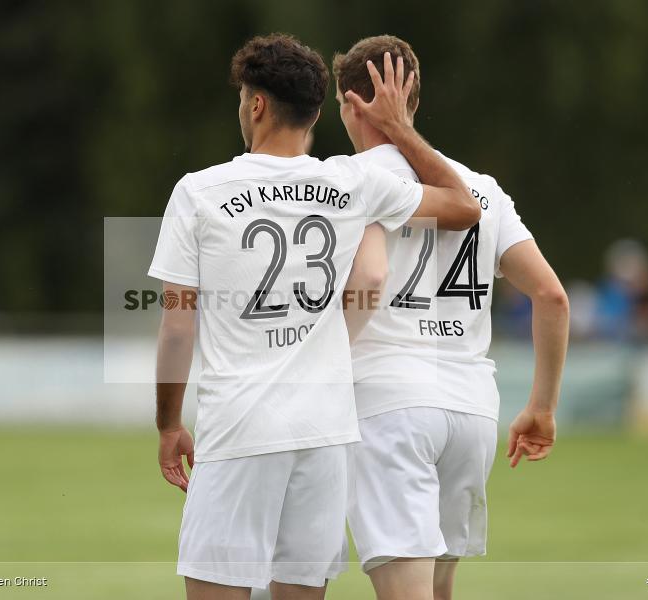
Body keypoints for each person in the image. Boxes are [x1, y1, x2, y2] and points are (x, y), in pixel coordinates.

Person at [148, 33, 479, 600]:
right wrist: (399, 127)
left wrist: (168, 423)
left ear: (256, 104)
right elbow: (464, 206)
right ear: (317, 112)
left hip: (240, 430)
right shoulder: (352, 182)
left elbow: (179, 324)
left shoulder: (199, 192)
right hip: (326, 435)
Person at [333, 36, 570, 600]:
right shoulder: (483, 191)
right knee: (439, 589)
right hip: (471, 408)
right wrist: (541, 407)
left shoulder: (348, 176)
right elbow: (552, 297)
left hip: (388, 403)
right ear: (415, 95)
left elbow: (367, 280)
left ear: (350, 104)